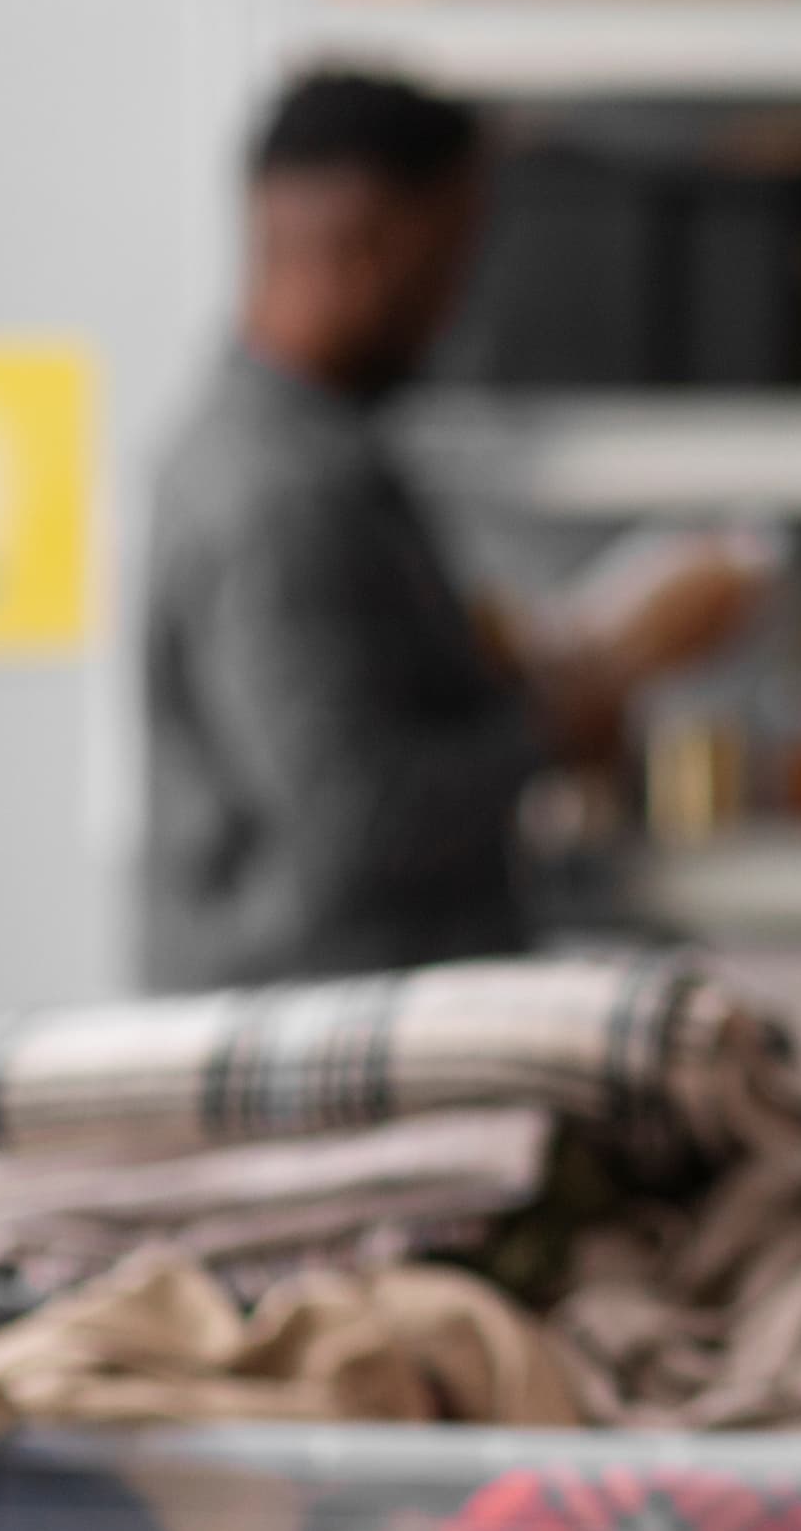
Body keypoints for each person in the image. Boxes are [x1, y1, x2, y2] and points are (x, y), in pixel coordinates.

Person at [139, 70, 759, 989]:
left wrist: (536, 661)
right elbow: (355, 814)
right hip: (316, 1023)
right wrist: (570, 715)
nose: (457, 303)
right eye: (451, 254)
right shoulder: (281, 493)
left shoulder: (296, 455)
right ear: (370, 247)